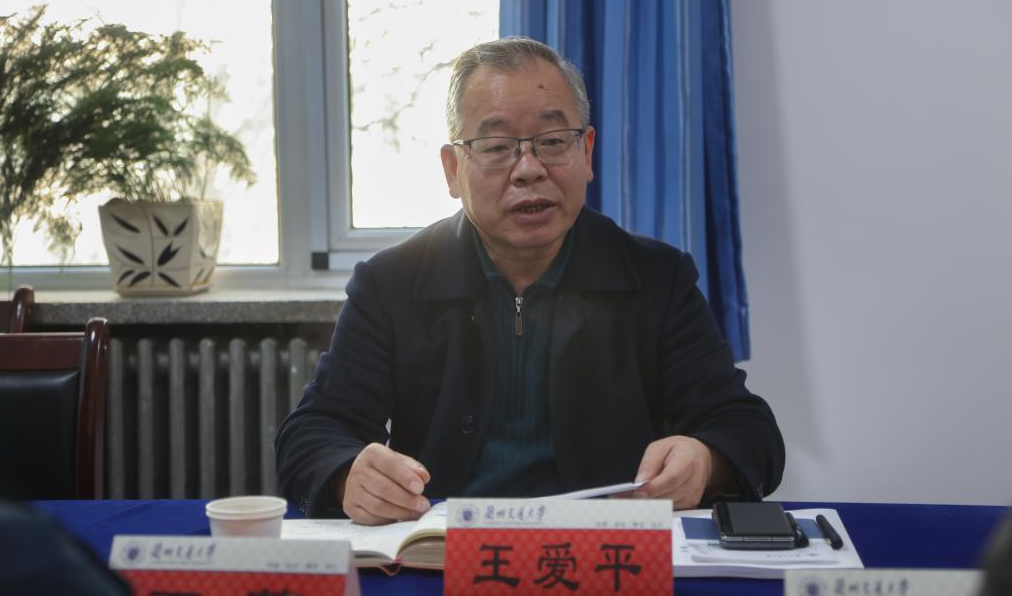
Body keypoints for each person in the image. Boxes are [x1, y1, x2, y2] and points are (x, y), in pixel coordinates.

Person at [276, 37, 784, 525]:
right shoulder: (391, 283)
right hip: (442, 553)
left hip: (607, 553)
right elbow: (313, 433)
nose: (528, 169)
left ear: (587, 153)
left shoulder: (655, 278)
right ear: (453, 170)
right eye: (497, 146)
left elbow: (748, 430)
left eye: (553, 142)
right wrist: (347, 474)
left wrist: (705, 459)